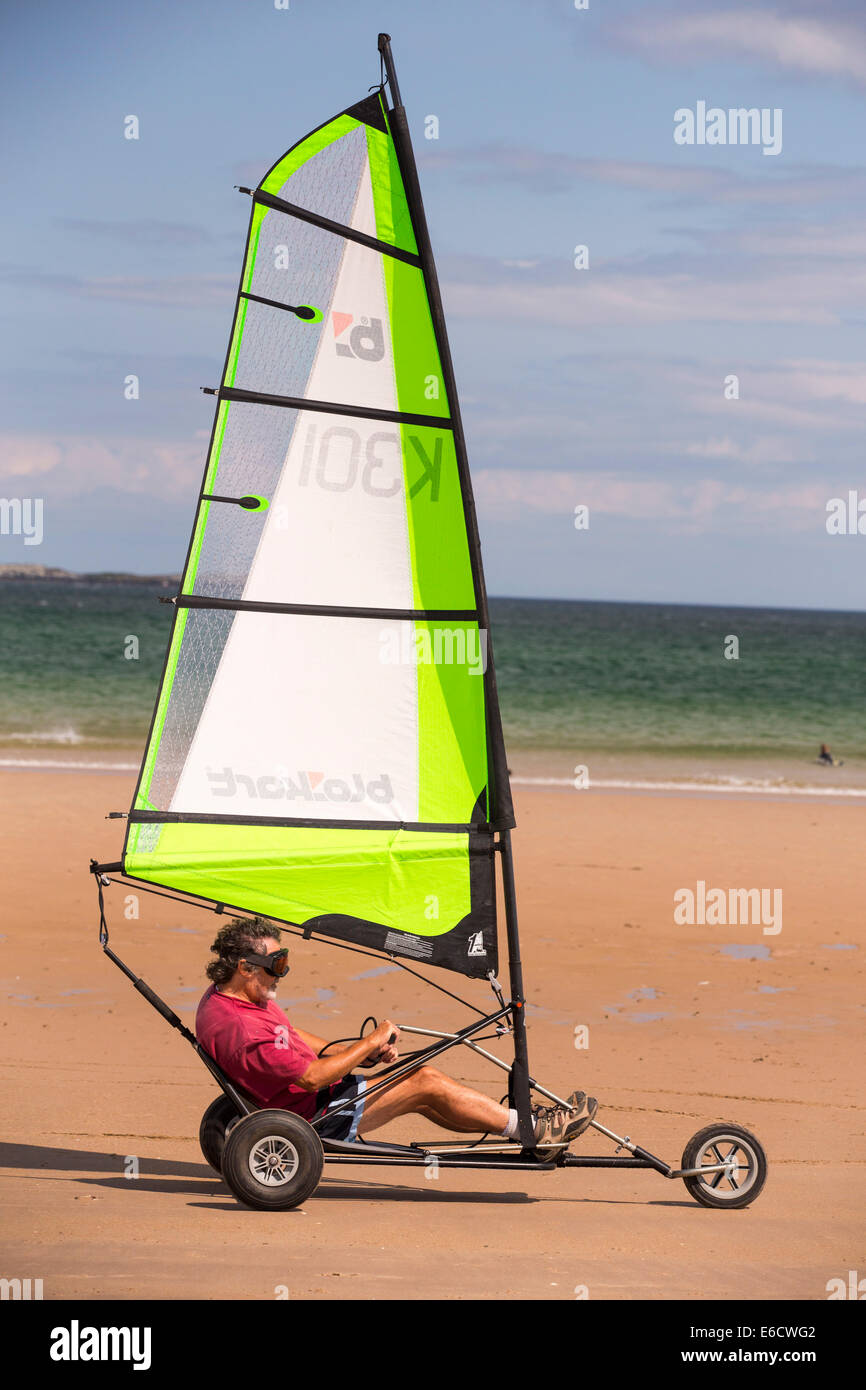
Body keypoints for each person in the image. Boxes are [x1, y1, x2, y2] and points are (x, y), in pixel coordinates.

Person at [195, 917, 597, 1155]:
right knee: (423, 1080)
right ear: (246, 967)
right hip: (314, 1116)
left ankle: (517, 1128)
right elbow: (309, 1078)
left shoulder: (226, 999)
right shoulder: (244, 1028)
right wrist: (370, 1042)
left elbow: (292, 1035)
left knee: (421, 1086)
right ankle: (533, 1131)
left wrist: (355, 1053)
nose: (282, 973)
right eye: (276, 964)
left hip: (310, 1097)